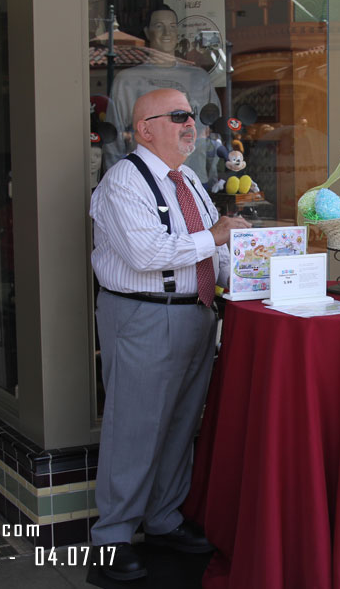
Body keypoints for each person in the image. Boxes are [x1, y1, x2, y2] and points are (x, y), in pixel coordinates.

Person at [89, 88, 252, 581]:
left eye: (194, 117)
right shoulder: (124, 182)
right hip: (143, 315)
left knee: (181, 425)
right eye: (179, 116)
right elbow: (147, 253)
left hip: (195, 312)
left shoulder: (190, 182)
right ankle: (112, 540)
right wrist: (217, 235)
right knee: (134, 428)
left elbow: (208, 254)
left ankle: (162, 520)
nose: (193, 126)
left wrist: (254, 268)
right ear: (145, 128)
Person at [107, 5, 220, 174]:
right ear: (147, 32)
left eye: (172, 27)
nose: (167, 33)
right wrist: (116, 178)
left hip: (194, 178)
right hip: (144, 181)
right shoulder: (127, 81)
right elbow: (113, 139)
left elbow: (213, 132)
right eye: (159, 26)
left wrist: (214, 177)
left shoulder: (198, 78)